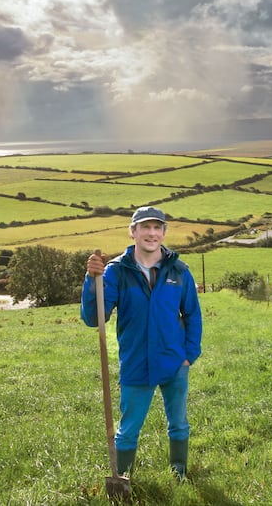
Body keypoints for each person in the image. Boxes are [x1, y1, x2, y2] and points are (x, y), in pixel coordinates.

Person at [80, 206, 203, 480]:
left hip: (174, 362)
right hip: (136, 362)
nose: (151, 233)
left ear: (163, 233)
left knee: (179, 424)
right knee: (129, 428)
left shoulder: (179, 271)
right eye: (145, 227)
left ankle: (179, 473)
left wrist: (189, 354)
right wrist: (91, 281)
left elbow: (193, 315)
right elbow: (93, 318)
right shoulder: (115, 272)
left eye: (157, 227)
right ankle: (123, 477)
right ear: (133, 231)